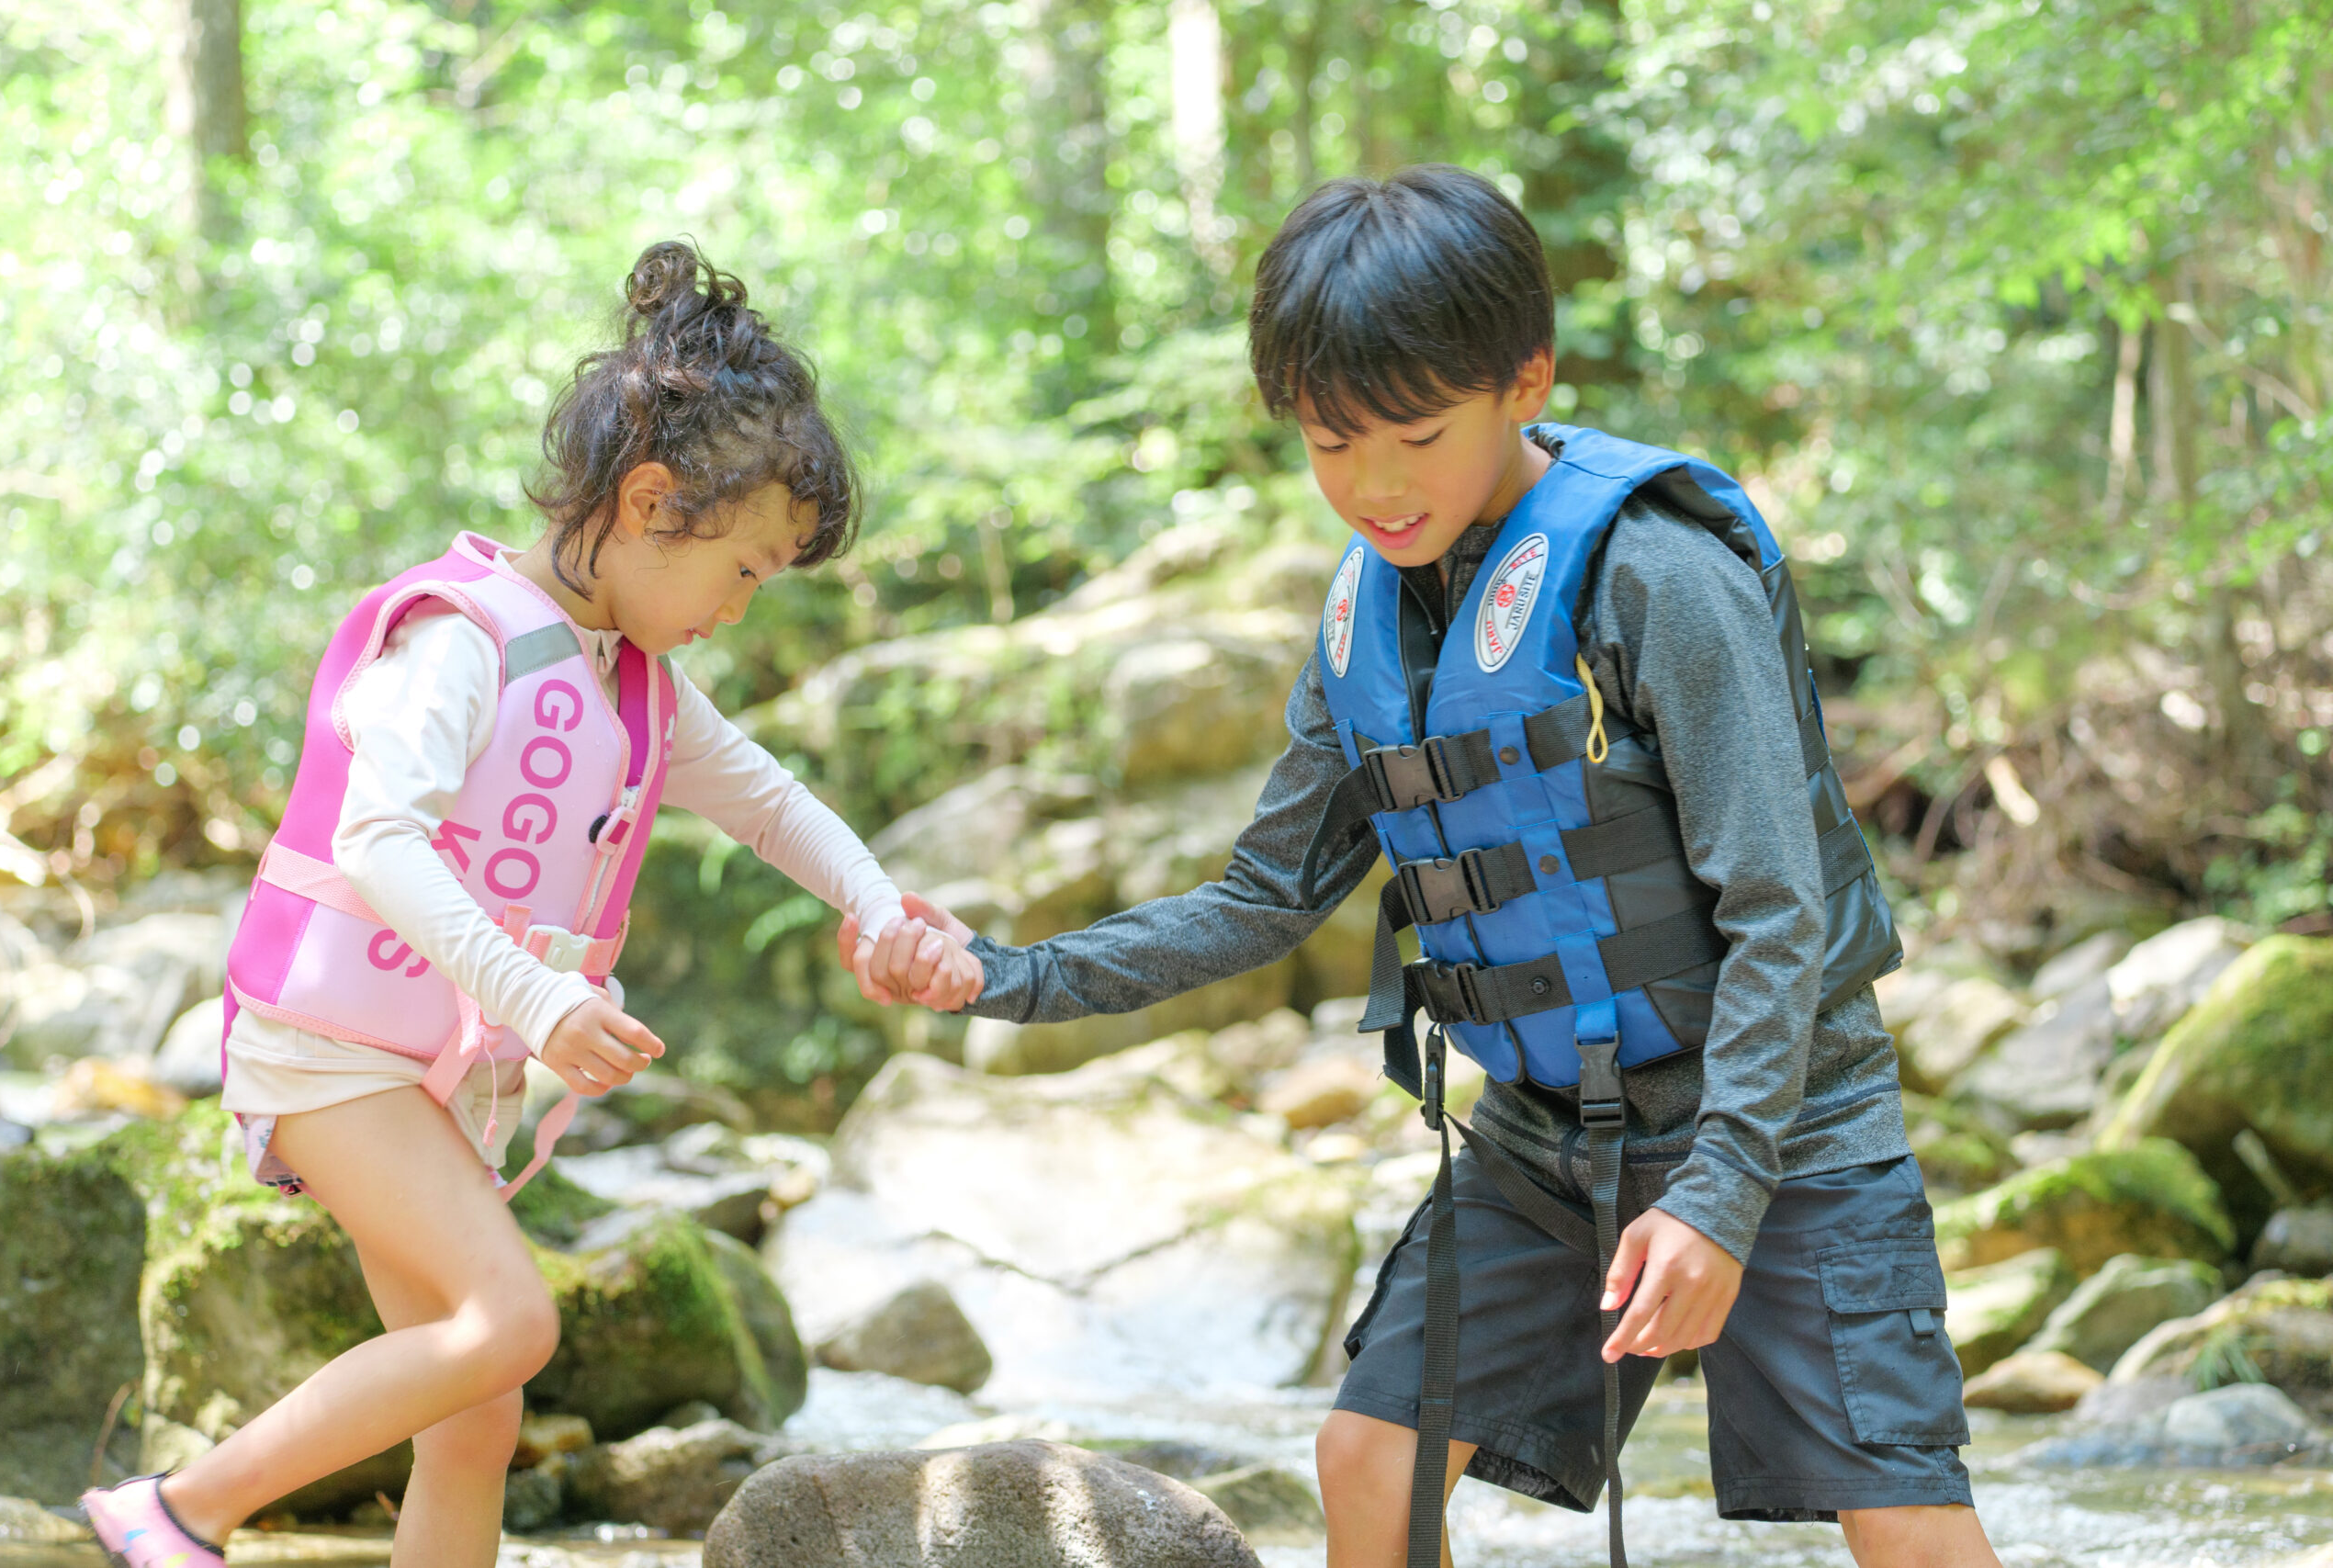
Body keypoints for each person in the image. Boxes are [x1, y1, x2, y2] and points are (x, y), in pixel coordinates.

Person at [847, 166, 2001, 1568]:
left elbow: (1783, 910)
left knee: (1902, 1517)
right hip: (1546, 1132)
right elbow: (1261, 898)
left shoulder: (1653, 577)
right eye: (1333, 445)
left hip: (1786, 1110)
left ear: (1528, 378)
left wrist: (1720, 1190)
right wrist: (1002, 974)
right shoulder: (1370, 627)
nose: (1375, 488)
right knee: (1371, 1461)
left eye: (1413, 434)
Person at [82, 241, 981, 1568]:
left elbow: (773, 805)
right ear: (649, 502)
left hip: (422, 1073)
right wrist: (539, 994)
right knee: (510, 1322)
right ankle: (175, 1510)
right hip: (330, 1051)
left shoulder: (641, 689)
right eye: (740, 569)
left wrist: (875, 905)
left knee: (476, 1414)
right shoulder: (462, 638)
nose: (741, 606)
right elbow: (376, 835)